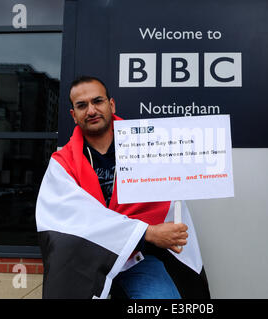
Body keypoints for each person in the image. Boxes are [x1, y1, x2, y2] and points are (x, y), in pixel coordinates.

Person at [35, 76, 210, 299]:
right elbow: (67, 219)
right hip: (86, 260)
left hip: (136, 259)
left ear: (111, 104)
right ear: (74, 115)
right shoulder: (62, 163)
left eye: (97, 101)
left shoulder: (148, 145)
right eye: (82, 105)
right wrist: (148, 232)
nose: (91, 110)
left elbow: (167, 199)